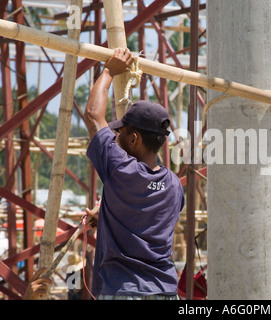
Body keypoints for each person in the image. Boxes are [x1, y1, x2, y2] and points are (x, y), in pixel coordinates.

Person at [83, 47, 185, 300]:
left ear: (134, 138)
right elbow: (144, 216)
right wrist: (108, 212)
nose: (116, 137)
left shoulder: (121, 169)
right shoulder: (174, 185)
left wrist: (109, 70)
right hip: (164, 290)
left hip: (123, 289)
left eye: (121, 132)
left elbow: (93, 116)